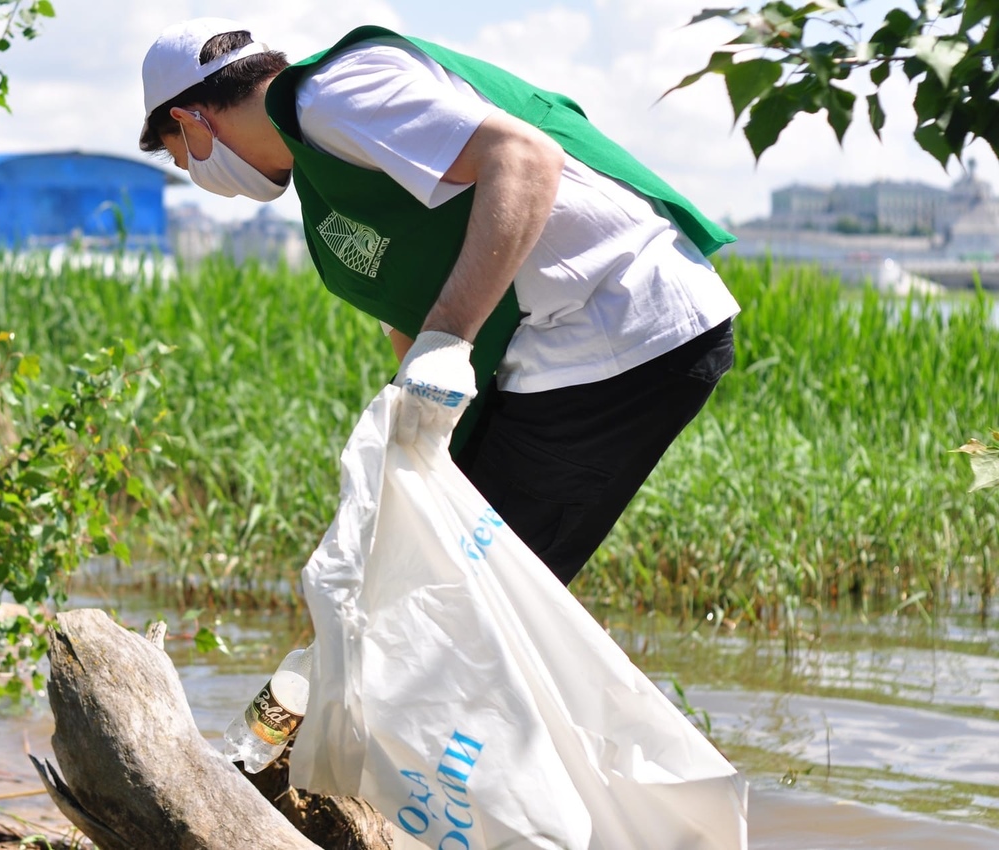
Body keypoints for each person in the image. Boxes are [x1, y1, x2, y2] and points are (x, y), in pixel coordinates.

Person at [137, 18, 739, 586]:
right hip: (553, 349)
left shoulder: (335, 95)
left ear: (193, 122)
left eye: (181, 153)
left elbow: (525, 158)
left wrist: (449, 338)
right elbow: (408, 325)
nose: (194, 171)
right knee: (418, 567)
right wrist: (400, 446)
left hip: (618, 320)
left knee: (467, 597)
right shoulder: (326, 187)